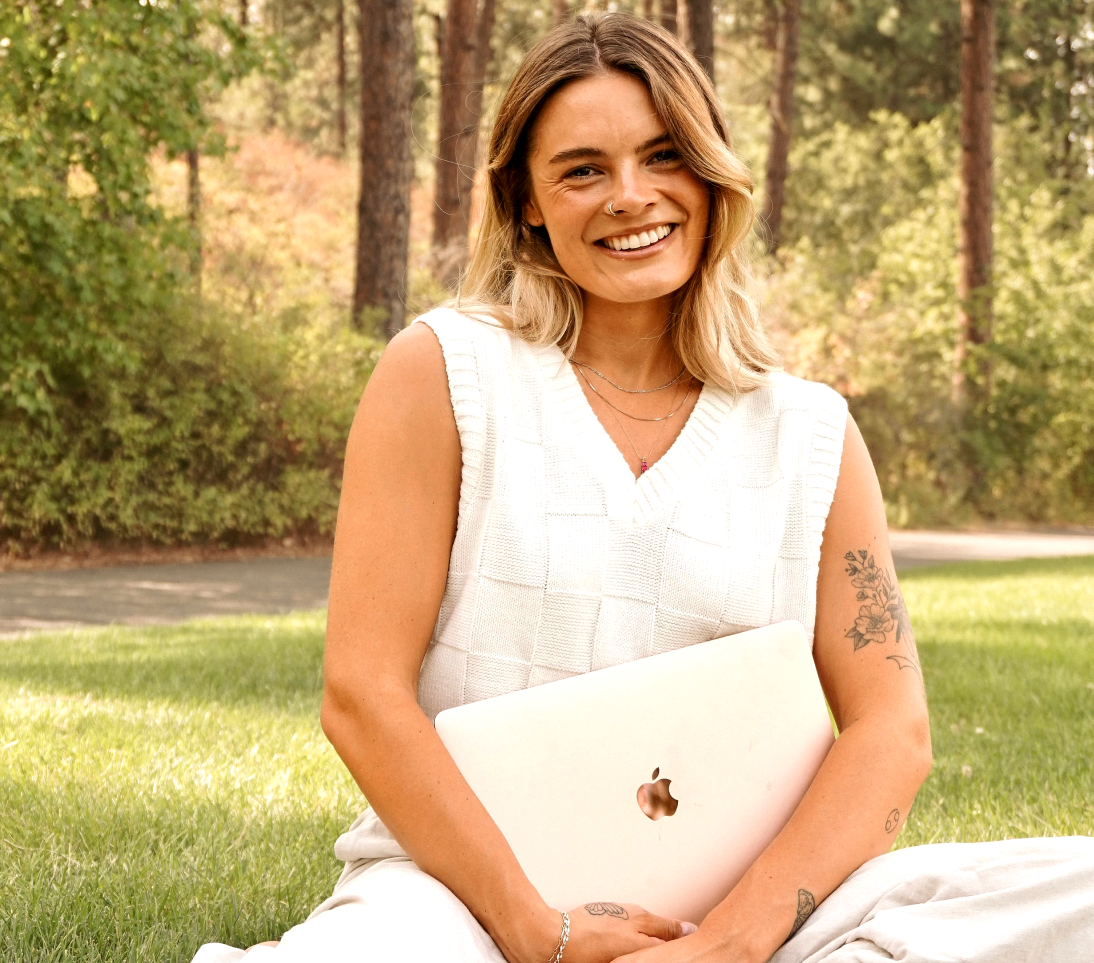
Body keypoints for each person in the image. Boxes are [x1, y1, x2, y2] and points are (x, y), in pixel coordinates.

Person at [194, 13, 1094, 963]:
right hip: (465, 902)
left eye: (663, 156)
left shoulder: (810, 430)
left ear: (709, 176)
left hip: (755, 918)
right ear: (528, 202)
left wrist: (728, 946)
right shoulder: (445, 373)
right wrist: (540, 930)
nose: (631, 197)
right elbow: (362, 694)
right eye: (582, 170)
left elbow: (890, 731)